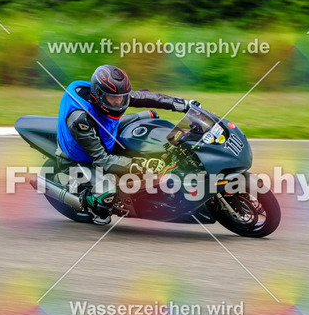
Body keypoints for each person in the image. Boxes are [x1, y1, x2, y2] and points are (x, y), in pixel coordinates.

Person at [55, 64, 200, 224]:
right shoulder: (80, 120)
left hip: (105, 130)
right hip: (81, 156)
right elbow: (102, 159)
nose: (119, 102)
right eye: (113, 98)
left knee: (151, 115)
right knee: (107, 195)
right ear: (99, 95)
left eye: (122, 97)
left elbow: (146, 97)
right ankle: (90, 204)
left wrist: (182, 104)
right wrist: (141, 165)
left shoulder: (110, 95)